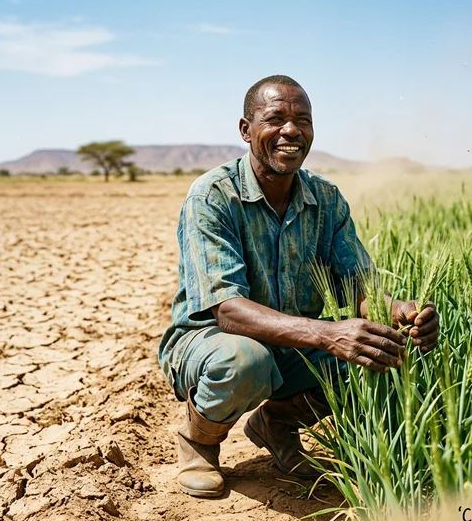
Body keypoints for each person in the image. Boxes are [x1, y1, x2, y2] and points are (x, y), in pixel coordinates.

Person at [158, 75, 440, 498]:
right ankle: (200, 441)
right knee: (244, 360)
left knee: (379, 347)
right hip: (212, 341)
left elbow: (358, 286)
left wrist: (398, 311)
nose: (291, 130)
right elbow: (227, 309)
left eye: (302, 120)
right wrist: (328, 334)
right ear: (245, 130)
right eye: (275, 119)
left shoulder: (325, 199)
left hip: (293, 341)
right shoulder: (213, 195)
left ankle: (277, 423)